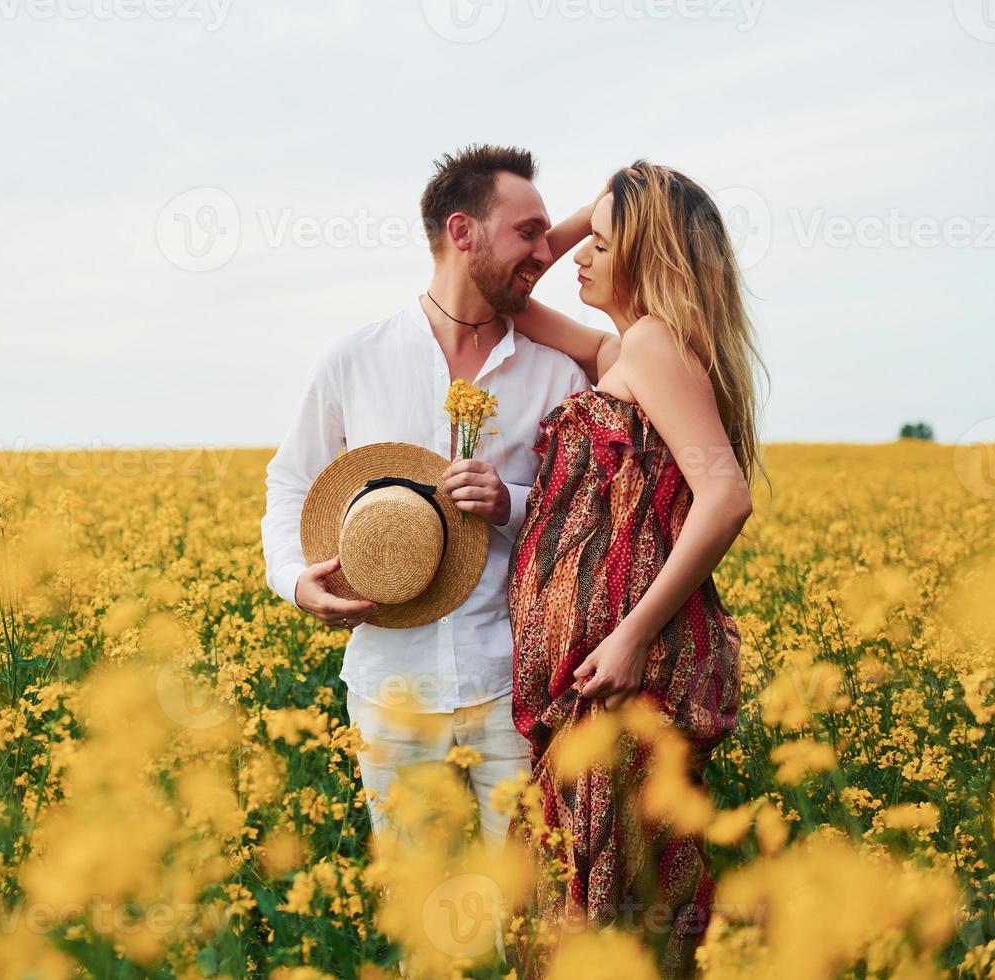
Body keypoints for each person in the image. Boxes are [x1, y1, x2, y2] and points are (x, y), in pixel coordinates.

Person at [259, 144, 591, 859]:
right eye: (528, 232)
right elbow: (291, 480)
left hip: (514, 688)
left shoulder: (558, 373)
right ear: (462, 232)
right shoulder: (356, 357)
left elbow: (589, 513)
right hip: (391, 690)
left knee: (526, 920)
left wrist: (511, 501)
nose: (547, 251)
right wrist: (291, 579)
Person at [504, 160, 767, 977]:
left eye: (601, 243)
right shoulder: (627, 348)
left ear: (647, 255)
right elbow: (513, 294)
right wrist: (607, 207)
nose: (577, 253)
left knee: (606, 927)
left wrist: (626, 637)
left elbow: (726, 494)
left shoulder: (652, 345)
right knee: (592, 916)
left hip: (626, 682)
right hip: (594, 690)